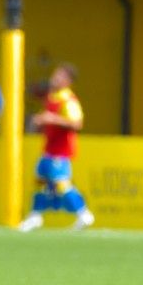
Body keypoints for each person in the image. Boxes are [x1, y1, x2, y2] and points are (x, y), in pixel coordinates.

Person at [17, 63, 95, 232]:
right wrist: (41, 122)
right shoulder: (53, 97)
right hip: (49, 148)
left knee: (61, 183)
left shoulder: (68, 100)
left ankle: (83, 213)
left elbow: (77, 123)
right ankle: (35, 216)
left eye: (59, 75)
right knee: (40, 180)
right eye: (55, 74)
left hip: (61, 150)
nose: (55, 78)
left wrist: (51, 119)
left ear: (68, 81)